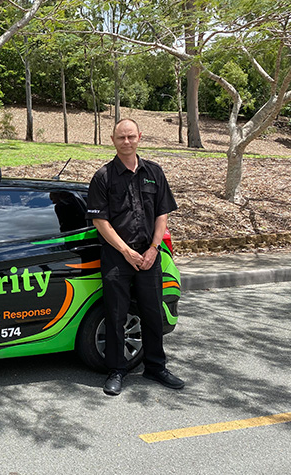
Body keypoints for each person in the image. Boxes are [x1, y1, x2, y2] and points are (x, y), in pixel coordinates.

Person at [85, 118, 184, 396]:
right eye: (121, 138)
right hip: (118, 256)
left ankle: (155, 367)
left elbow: (162, 213)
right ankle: (117, 370)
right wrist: (126, 251)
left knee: (152, 312)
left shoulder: (154, 172)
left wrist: (153, 248)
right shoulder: (103, 177)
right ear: (113, 140)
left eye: (131, 136)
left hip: (150, 256)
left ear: (139, 136)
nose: (126, 142)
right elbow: (100, 222)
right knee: (116, 314)